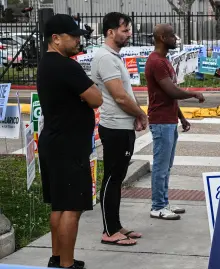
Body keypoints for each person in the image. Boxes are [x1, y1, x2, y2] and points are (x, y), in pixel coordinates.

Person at [37, 14, 103, 268]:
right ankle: (66, 264)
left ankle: (57, 258)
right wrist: (88, 94)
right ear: (56, 39)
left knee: (59, 204)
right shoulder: (66, 66)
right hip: (69, 146)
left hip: (54, 141)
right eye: (73, 36)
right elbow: (96, 98)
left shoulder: (46, 64)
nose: (78, 40)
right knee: (72, 208)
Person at [91, 12, 147, 246]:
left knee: (118, 177)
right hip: (114, 127)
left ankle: (116, 225)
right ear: (110, 32)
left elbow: (124, 94)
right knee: (112, 178)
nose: (129, 34)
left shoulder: (113, 56)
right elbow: (120, 97)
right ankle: (109, 231)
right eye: (125, 30)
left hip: (123, 126)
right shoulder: (105, 58)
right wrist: (140, 113)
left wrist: (134, 116)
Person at [146, 24, 205, 220]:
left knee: (166, 166)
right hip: (161, 121)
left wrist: (181, 117)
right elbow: (171, 91)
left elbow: (169, 95)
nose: (175, 38)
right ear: (162, 37)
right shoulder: (156, 62)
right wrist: (194, 94)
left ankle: (164, 202)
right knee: (161, 166)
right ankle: (158, 206)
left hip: (169, 120)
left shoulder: (165, 60)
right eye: (171, 35)